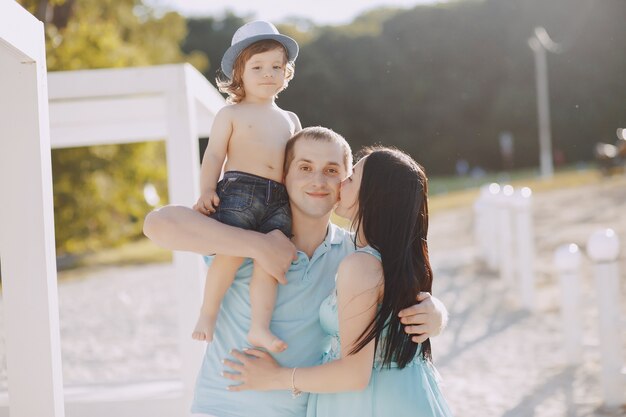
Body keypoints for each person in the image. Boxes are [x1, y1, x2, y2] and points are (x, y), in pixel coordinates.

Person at [143, 127, 448, 417]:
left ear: (346, 183)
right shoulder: (240, 240)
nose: (318, 180)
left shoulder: (352, 253)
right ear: (283, 176)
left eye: (332, 170)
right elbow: (157, 225)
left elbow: (392, 295)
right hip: (227, 407)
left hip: (307, 409)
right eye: (304, 167)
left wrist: (435, 313)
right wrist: (259, 246)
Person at [221, 146, 453, 417]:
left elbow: (354, 375)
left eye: (352, 177)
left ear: (373, 195)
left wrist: (275, 377)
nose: (342, 182)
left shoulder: (361, 265)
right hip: (401, 393)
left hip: (372, 403)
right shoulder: (392, 258)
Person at [191, 20, 301, 352]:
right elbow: (213, 156)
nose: (268, 73)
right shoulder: (232, 113)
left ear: (286, 72)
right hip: (240, 191)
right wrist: (207, 189)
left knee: (270, 264)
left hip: (278, 199)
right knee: (229, 254)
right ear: (239, 74)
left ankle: (259, 327)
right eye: (258, 67)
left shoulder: (290, 118)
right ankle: (208, 313)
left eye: (276, 67)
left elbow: (295, 166)